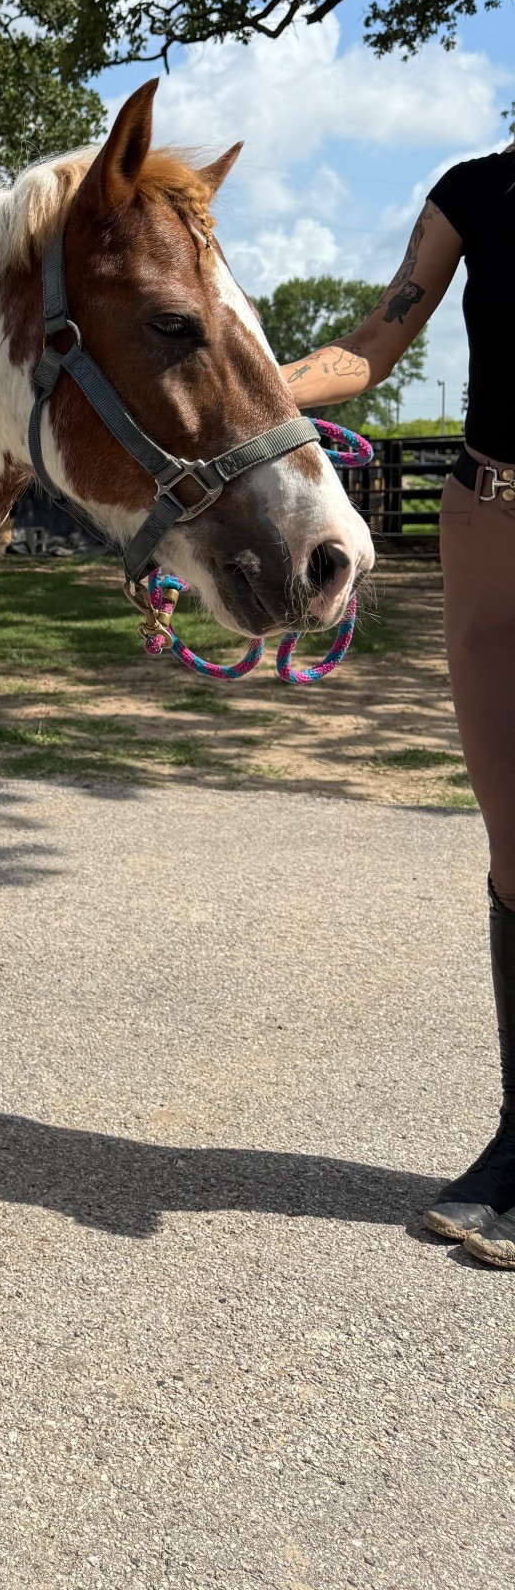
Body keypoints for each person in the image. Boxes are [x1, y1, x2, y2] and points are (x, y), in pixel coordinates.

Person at [280, 147, 515, 1267]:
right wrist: (252, 390)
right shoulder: (474, 190)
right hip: (487, 517)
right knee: (513, 844)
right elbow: (370, 345)